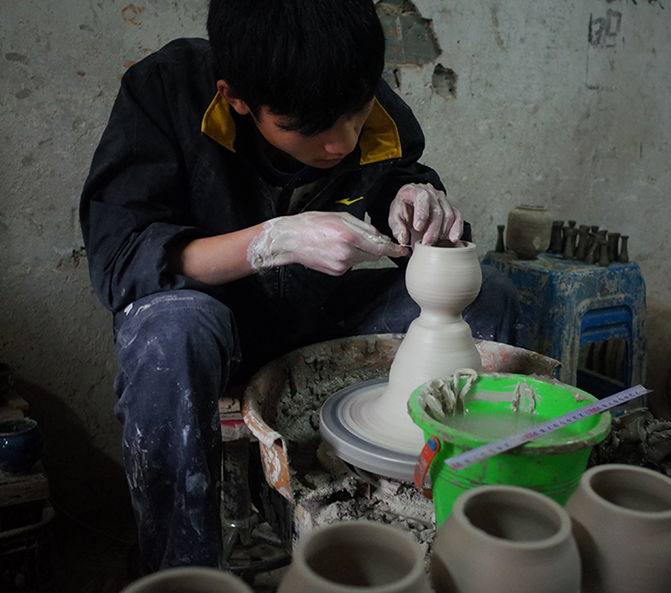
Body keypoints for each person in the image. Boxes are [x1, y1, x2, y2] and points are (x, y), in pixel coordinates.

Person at [79, 0, 524, 573]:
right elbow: (121, 260)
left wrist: (415, 200)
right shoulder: (166, 92)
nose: (340, 143)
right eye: (308, 127)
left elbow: (390, 173)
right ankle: (182, 577)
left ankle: (460, 533)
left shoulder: (363, 97)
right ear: (236, 97)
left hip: (312, 316)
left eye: (355, 114)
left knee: (490, 301)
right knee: (171, 332)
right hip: (212, 324)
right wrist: (272, 241)